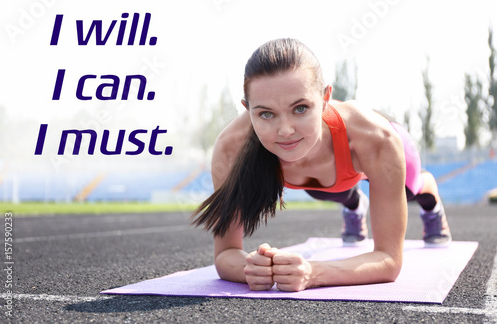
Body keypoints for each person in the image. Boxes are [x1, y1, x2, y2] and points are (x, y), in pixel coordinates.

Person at [192, 38, 452, 292]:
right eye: (266, 114)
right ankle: (354, 203)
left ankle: (428, 189)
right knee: (322, 188)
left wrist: (313, 273)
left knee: (411, 191)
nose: (285, 130)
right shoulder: (230, 148)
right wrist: (251, 268)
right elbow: (225, 253)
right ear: (247, 109)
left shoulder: (377, 140)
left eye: (301, 108)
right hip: (326, 179)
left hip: (388, 149)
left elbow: (388, 260)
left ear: (326, 97)